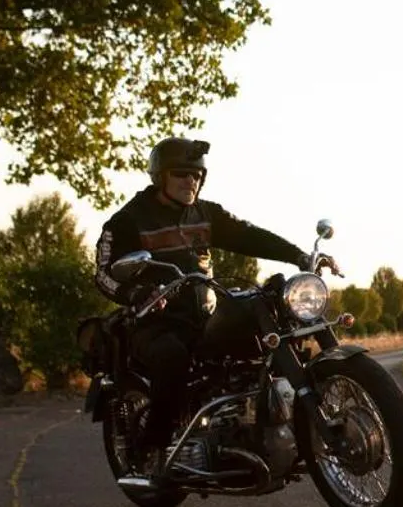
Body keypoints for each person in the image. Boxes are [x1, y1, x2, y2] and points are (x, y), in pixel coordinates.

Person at [93, 137, 328, 480]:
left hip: (205, 315)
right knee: (172, 358)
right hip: (155, 321)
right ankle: (153, 450)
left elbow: (250, 235)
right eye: (182, 174)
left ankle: (267, 424)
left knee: (264, 330)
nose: (192, 181)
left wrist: (298, 256)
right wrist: (136, 294)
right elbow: (102, 273)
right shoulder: (128, 220)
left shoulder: (206, 213)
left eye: (197, 175)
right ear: (160, 176)